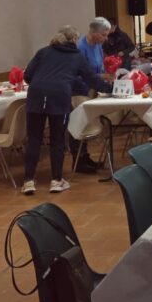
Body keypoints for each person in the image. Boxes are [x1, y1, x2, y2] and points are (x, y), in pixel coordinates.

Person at [21, 26, 111, 195]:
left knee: (34, 138)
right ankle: (56, 181)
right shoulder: (76, 56)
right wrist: (111, 89)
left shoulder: (43, 52)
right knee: (57, 139)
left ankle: (28, 181)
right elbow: (92, 79)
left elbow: (27, 75)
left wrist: (43, 83)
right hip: (59, 96)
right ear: (74, 40)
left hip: (36, 95)